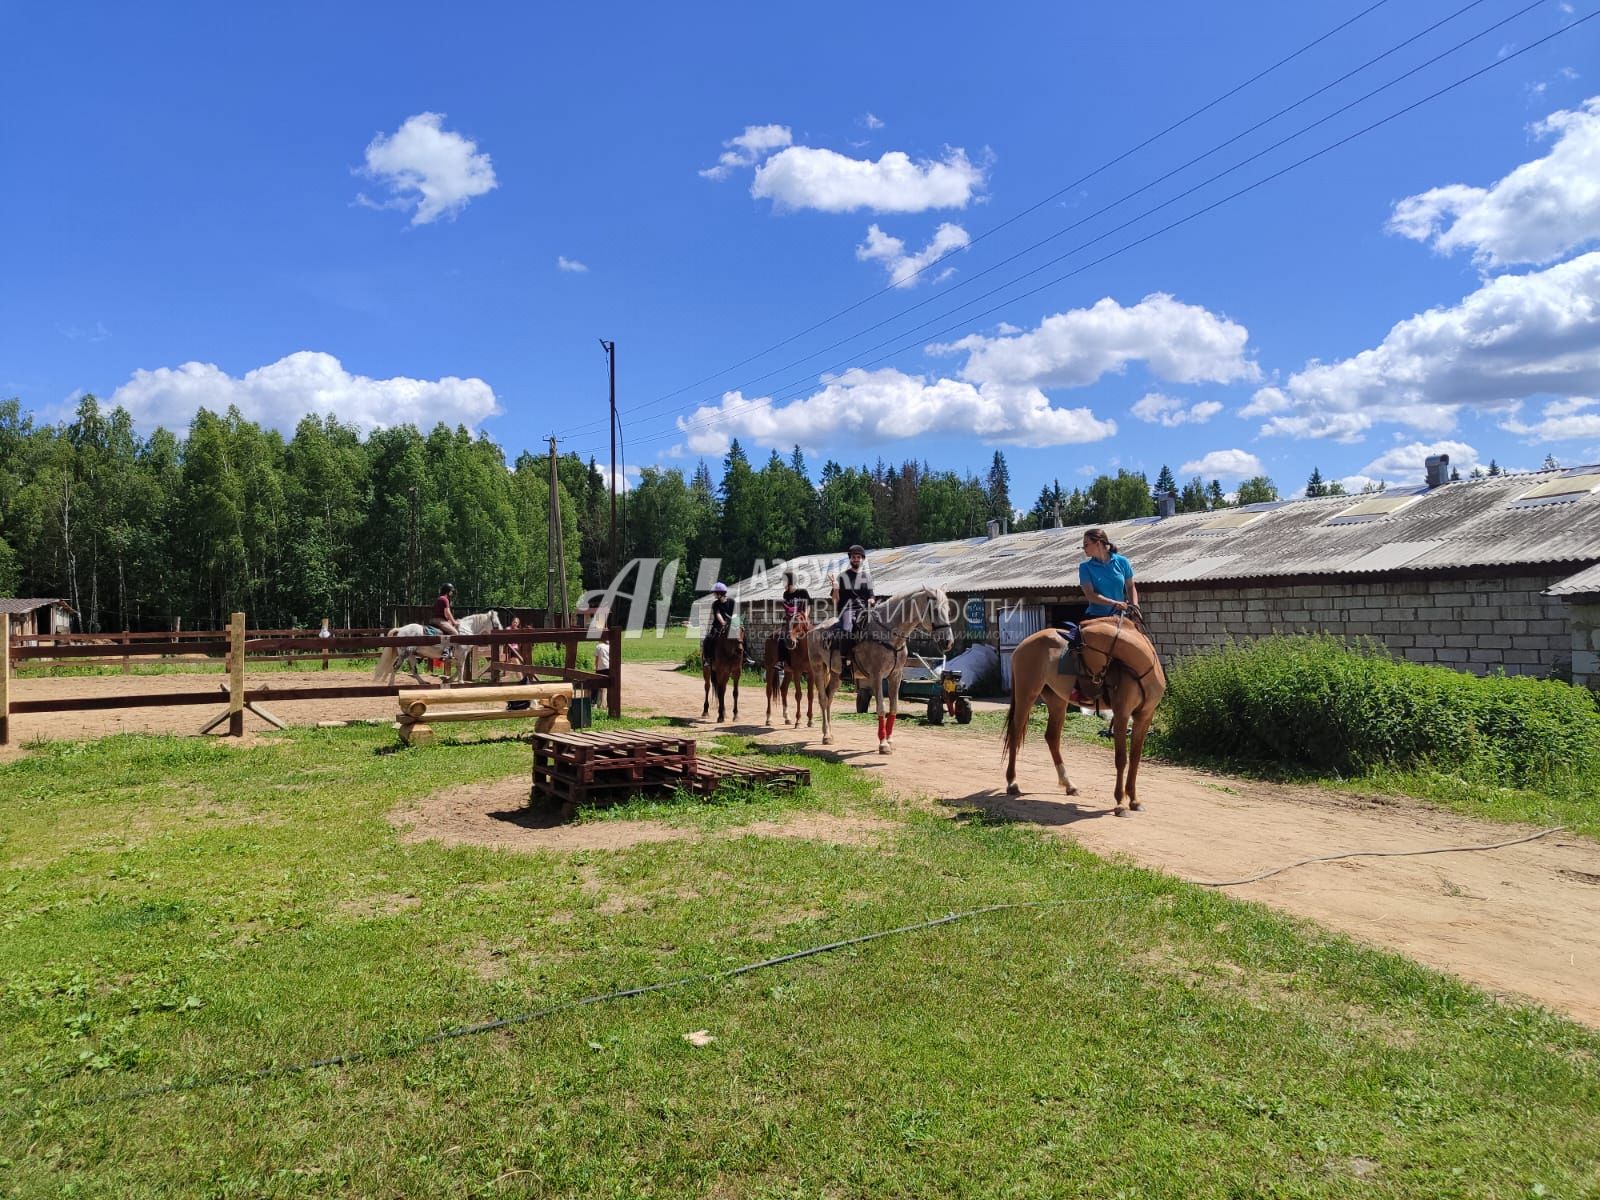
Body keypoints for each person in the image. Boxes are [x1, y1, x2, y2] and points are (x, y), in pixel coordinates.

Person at [1074, 527, 1138, 715]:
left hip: (1121, 618)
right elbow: (1090, 595)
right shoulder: (1085, 567)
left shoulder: (1122, 562)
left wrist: (1135, 607)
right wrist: (1115, 602)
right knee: (1075, 646)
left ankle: (1142, 686)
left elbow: (1131, 586)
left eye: (1086, 545)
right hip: (1096, 617)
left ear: (1099, 543)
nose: (1084, 549)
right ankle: (1077, 689)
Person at [829, 544, 873, 671]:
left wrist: (871, 600)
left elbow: (871, 596)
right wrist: (835, 588)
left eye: (858, 557)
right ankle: (845, 663)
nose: (856, 559)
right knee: (847, 629)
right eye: (854, 557)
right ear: (850, 559)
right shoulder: (843, 577)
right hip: (847, 609)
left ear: (862, 559)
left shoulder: (867, 577)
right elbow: (835, 600)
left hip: (863, 610)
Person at [703, 581, 736, 662]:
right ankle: (707, 658)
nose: (713, 594)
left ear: (719, 593)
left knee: (741, 638)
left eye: (714, 593)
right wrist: (723, 623)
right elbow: (718, 614)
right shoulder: (715, 604)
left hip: (732, 625)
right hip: (718, 626)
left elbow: (735, 613)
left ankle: (746, 656)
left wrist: (734, 624)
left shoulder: (732, 602)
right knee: (708, 639)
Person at [781, 570, 812, 648]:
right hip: (790, 619)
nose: (783, 584)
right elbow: (787, 608)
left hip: (802, 618)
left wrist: (805, 614)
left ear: (790, 582)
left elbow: (808, 605)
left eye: (784, 582)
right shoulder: (785, 594)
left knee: (812, 633)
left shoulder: (803, 592)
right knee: (782, 635)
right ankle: (782, 658)